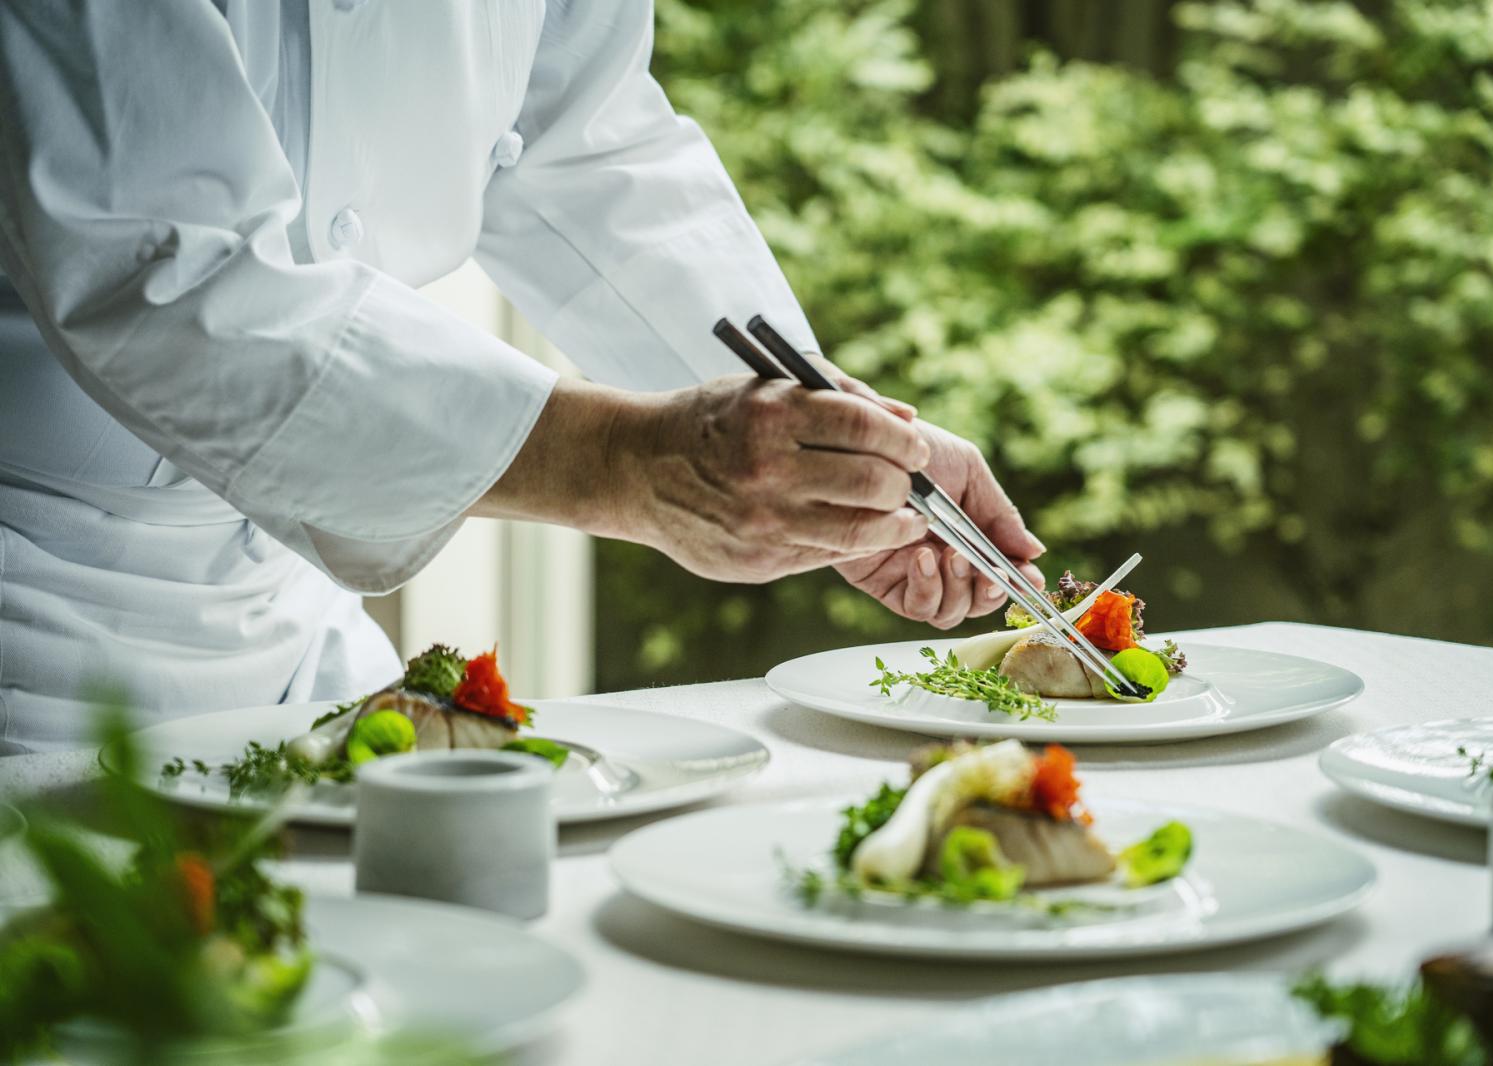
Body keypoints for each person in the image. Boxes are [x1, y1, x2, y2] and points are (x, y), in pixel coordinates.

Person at [0, 0, 1044, 754]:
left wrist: (820, 438)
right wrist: (621, 463)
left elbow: (583, 143)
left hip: (290, 615)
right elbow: (161, 270)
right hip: (30, 621)